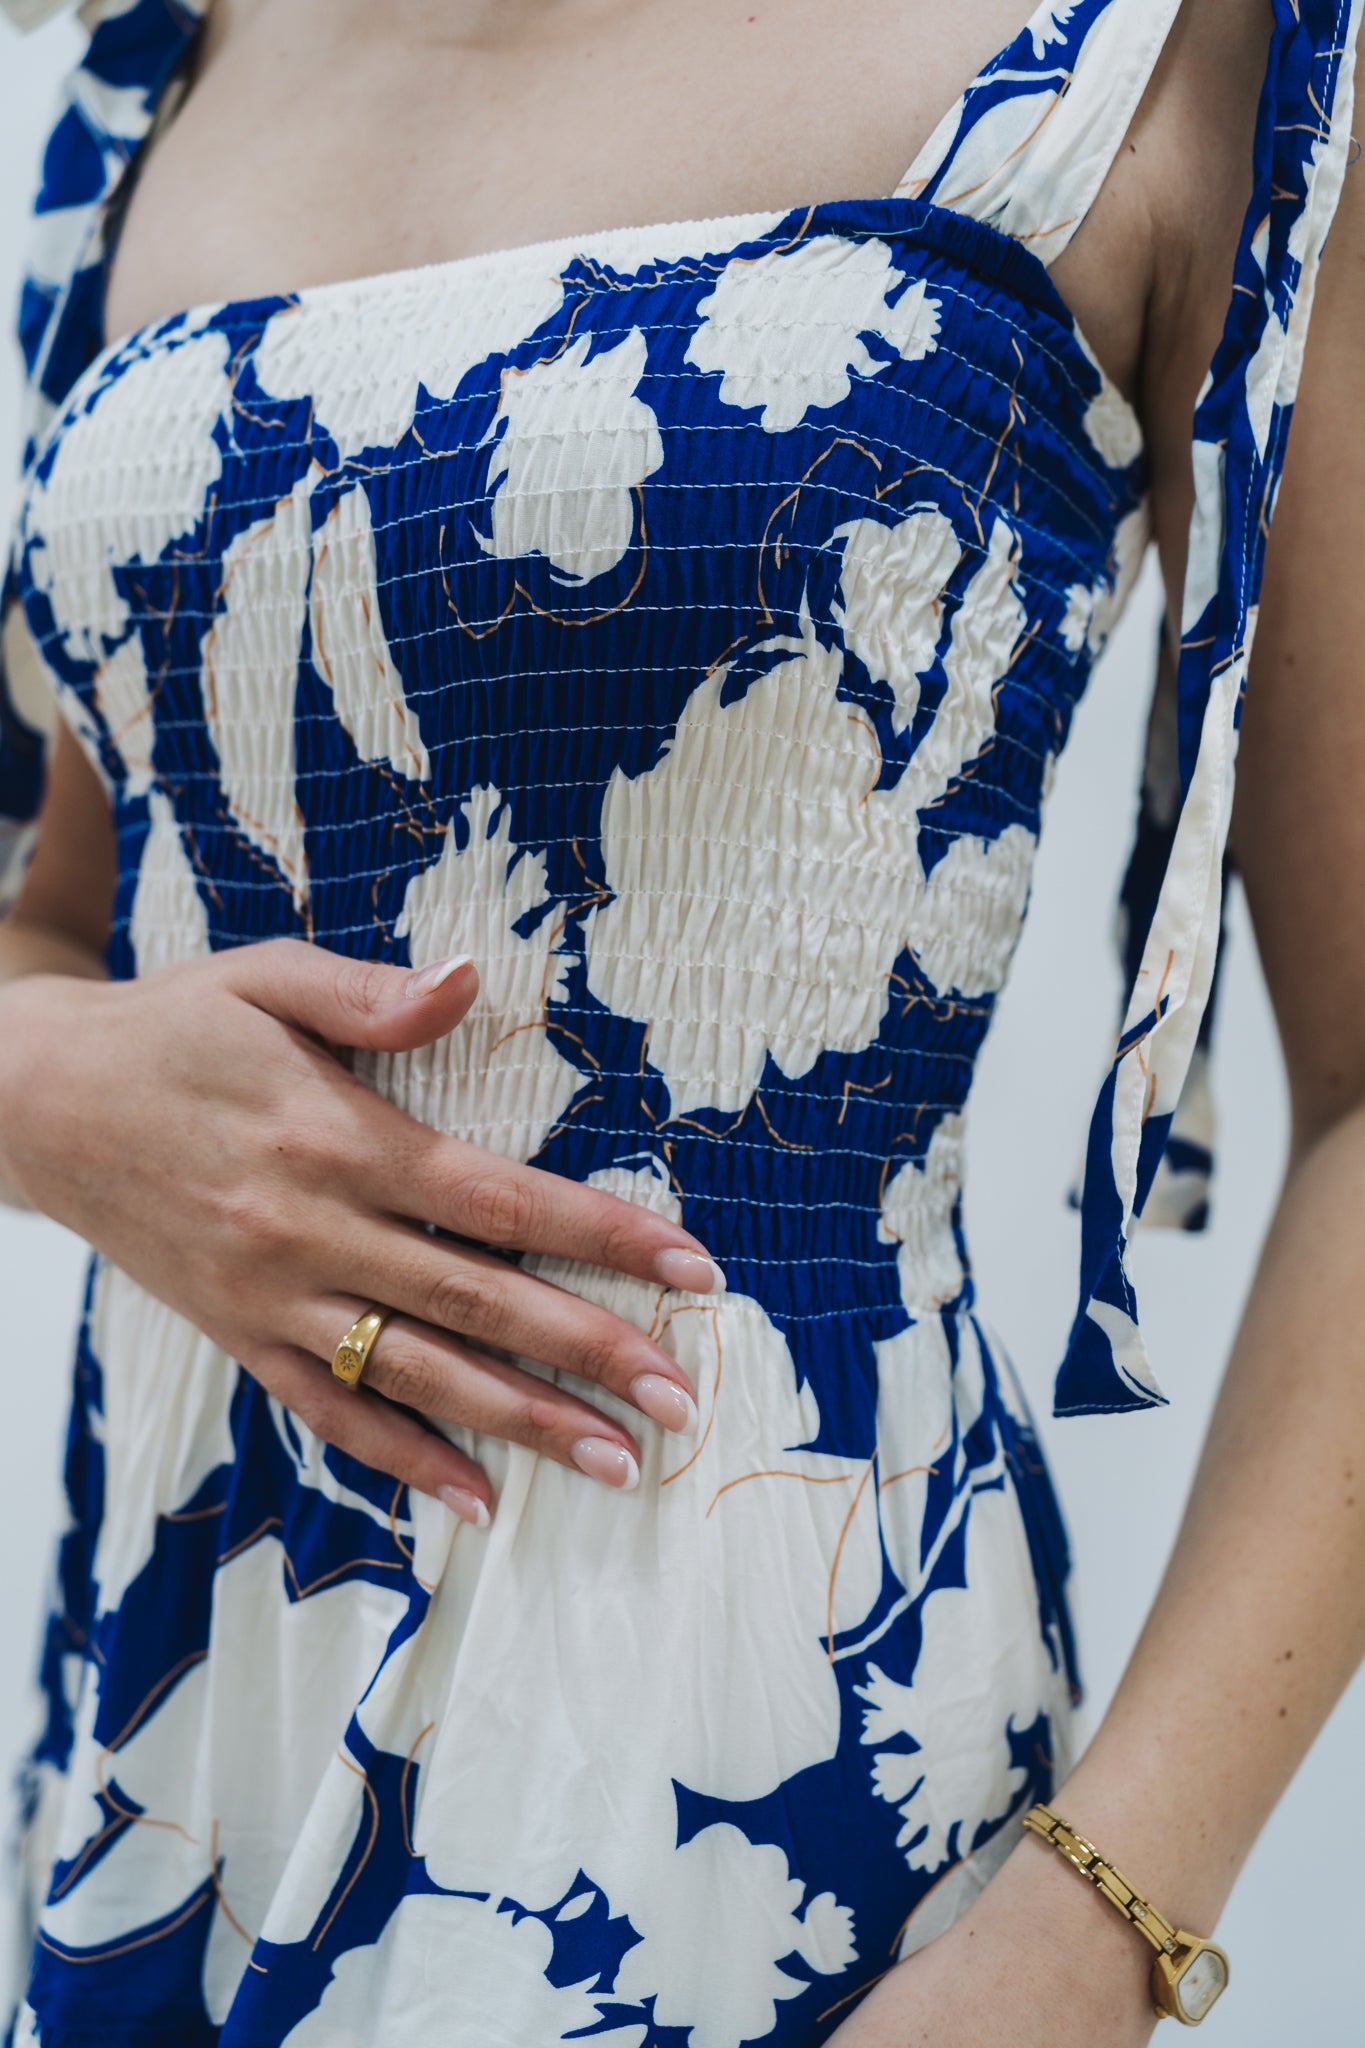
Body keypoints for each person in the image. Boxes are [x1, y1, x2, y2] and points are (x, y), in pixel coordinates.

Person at [0, 0, 1362, 2040]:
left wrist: (1091, 1936)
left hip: (763, 1800)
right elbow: (45, 918)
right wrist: (42, 1081)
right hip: (171, 1741)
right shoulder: (138, 81)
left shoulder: (1186, 47)